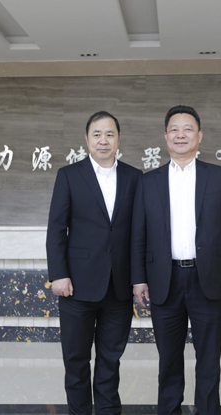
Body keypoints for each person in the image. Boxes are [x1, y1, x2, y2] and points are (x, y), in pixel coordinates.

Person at [131, 105, 221, 415]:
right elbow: (138, 234)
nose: (180, 134)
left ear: (200, 136)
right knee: (168, 358)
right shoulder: (148, 181)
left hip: (207, 277)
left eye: (188, 129)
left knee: (209, 357)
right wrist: (139, 279)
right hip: (163, 279)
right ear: (165, 136)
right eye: (174, 129)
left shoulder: (217, 176)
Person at [46, 111, 142, 415]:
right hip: (76, 285)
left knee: (110, 361)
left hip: (119, 286)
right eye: (97, 134)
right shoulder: (69, 175)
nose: (103, 140)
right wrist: (58, 275)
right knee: (76, 361)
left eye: (109, 134)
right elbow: (56, 229)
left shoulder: (135, 177)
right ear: (87, 139)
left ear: (119, 139)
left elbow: (140, 233)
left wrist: (139, 278)